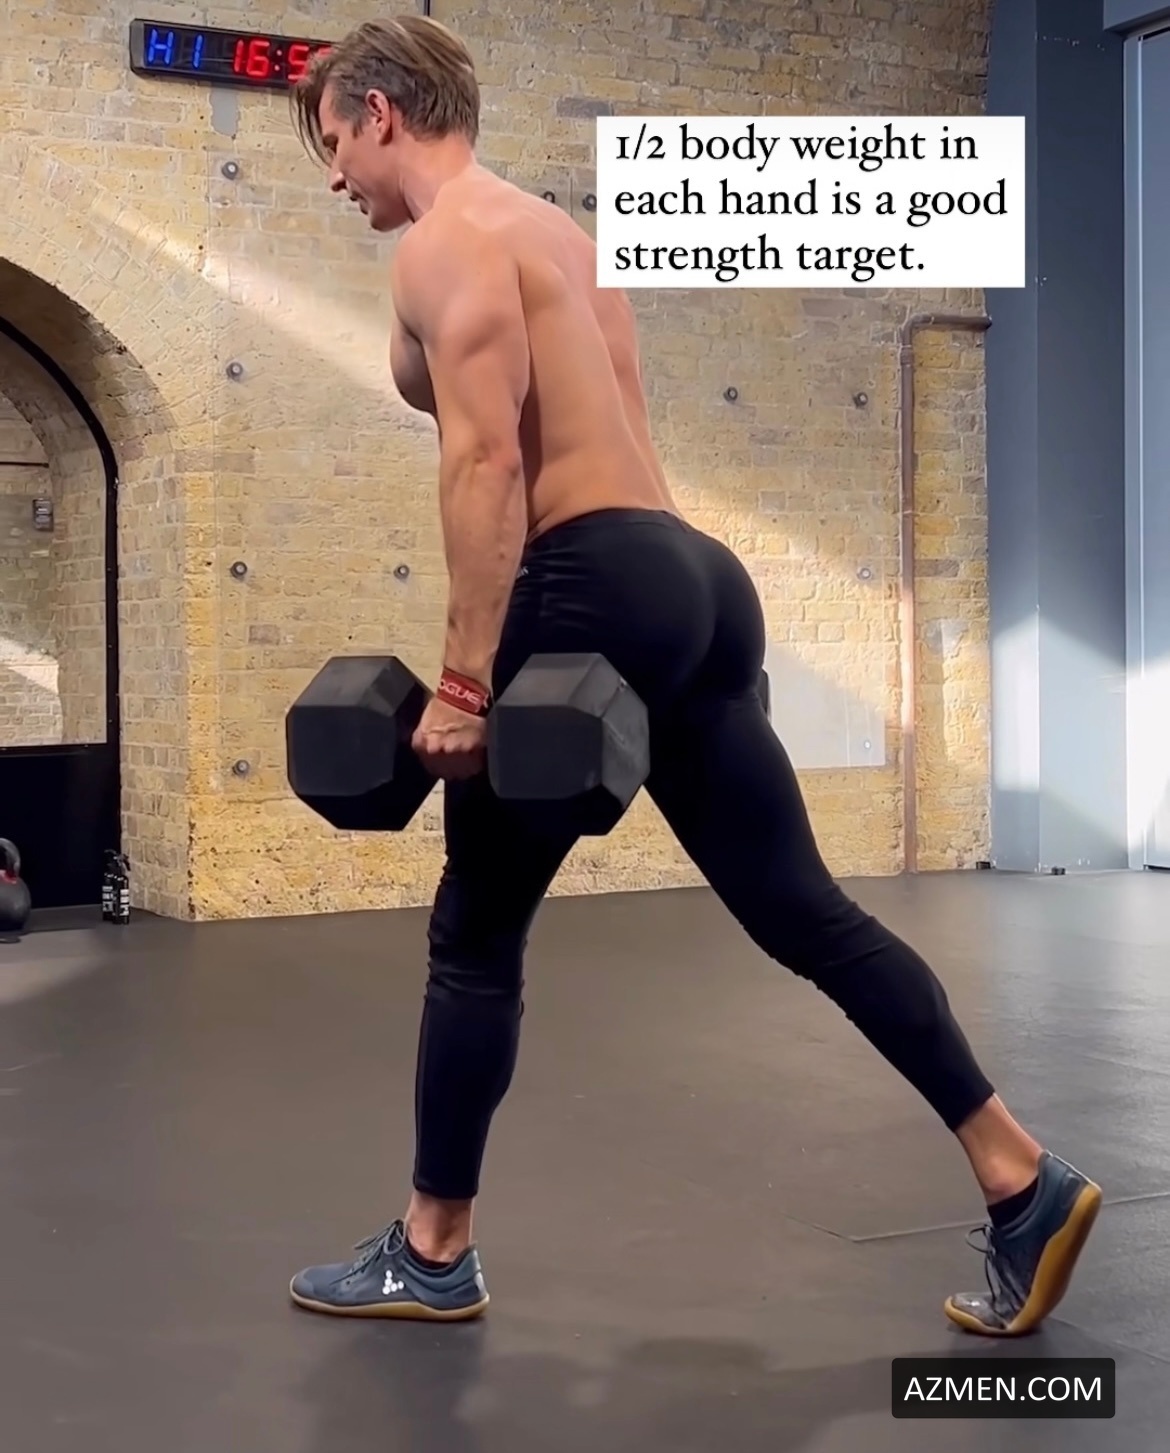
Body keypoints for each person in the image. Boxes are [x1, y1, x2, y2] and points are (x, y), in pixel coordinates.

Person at [286, 15, 1101, 1336]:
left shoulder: (446, 242)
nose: (333, 174)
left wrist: (464, 685)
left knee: (474, 933)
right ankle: (1020, 1176)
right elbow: (535, 409)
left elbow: (486, 464)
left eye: (333, 140)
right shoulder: (555, 237)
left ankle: (432, 1250)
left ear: (382, 112)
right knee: (801, 911)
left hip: (584, 578)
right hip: (693, 582)